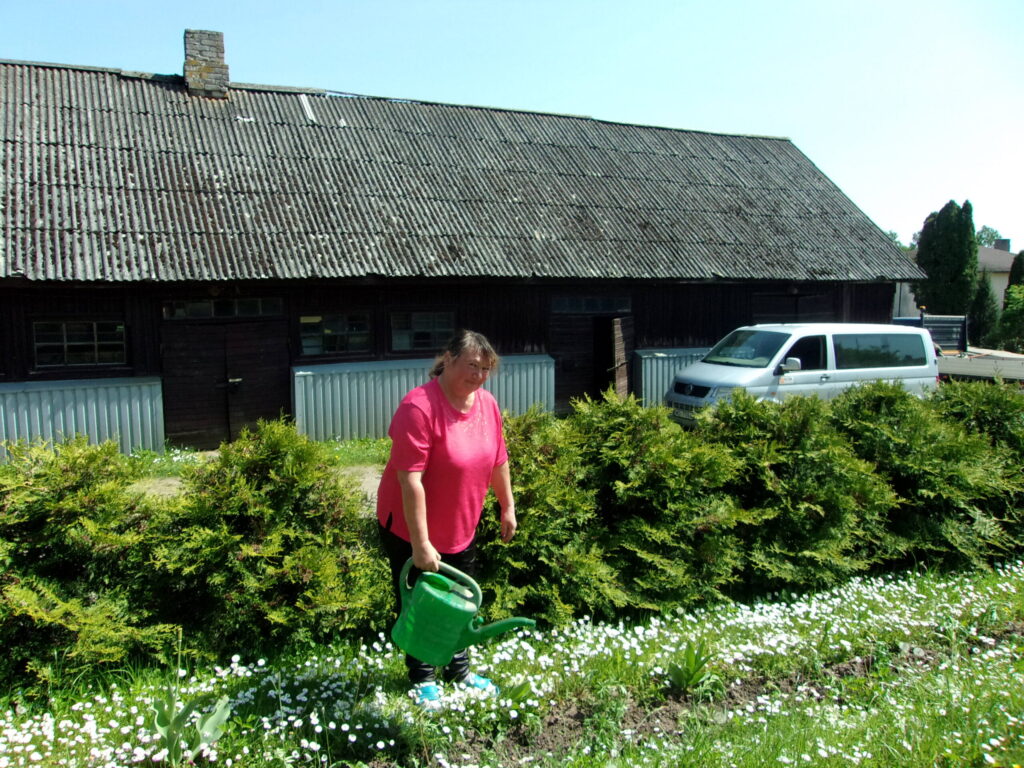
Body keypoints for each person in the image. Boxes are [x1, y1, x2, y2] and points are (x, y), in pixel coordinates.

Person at [376, 330, 517, 710]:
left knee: (461, 600)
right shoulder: (418, 407)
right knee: (425, 601)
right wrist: (421, 544)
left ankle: (459, 671)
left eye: (486, 369)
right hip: (411, 527)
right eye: (472, 365)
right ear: (449, 359)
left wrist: (507, 506)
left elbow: (498, 459)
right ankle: (422, 679)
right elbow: (410, 480)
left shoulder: (486, 404)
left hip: (460, 524)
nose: (479, 375)